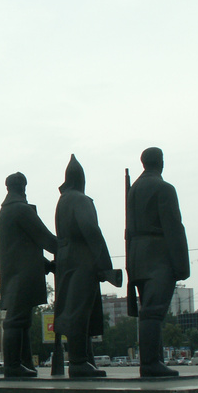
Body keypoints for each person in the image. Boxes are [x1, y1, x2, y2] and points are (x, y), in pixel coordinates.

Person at [54, 155, 122, 378]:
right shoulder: (81, 199)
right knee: (79, 311)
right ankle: (78, 362)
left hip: (66, 258)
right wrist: (105, 265)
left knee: (77, 308)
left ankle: (85, 359)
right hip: (82, 259)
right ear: (81, 179)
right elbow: (91, 230)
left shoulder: (63, 200)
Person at [127, 147, 189, 377]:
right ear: (161, 162)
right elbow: (173, 226)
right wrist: (181, 265)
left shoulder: (134, 189)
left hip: (137, 256)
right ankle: (151, 363)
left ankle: (155, 360)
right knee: (153, 311)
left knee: (149, 309)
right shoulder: (164, 188)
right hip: (157, 255)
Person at [0, 173, 57, 378]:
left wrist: (46, 264)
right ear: (23, 187)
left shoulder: (7, 210)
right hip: (22, 273)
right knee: (16, 320)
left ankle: (24, 362)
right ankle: (13, 365)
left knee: (22, 320)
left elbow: (23, 246)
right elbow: (46, 239)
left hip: (16, 271)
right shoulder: (20, 209)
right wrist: (69, 248)